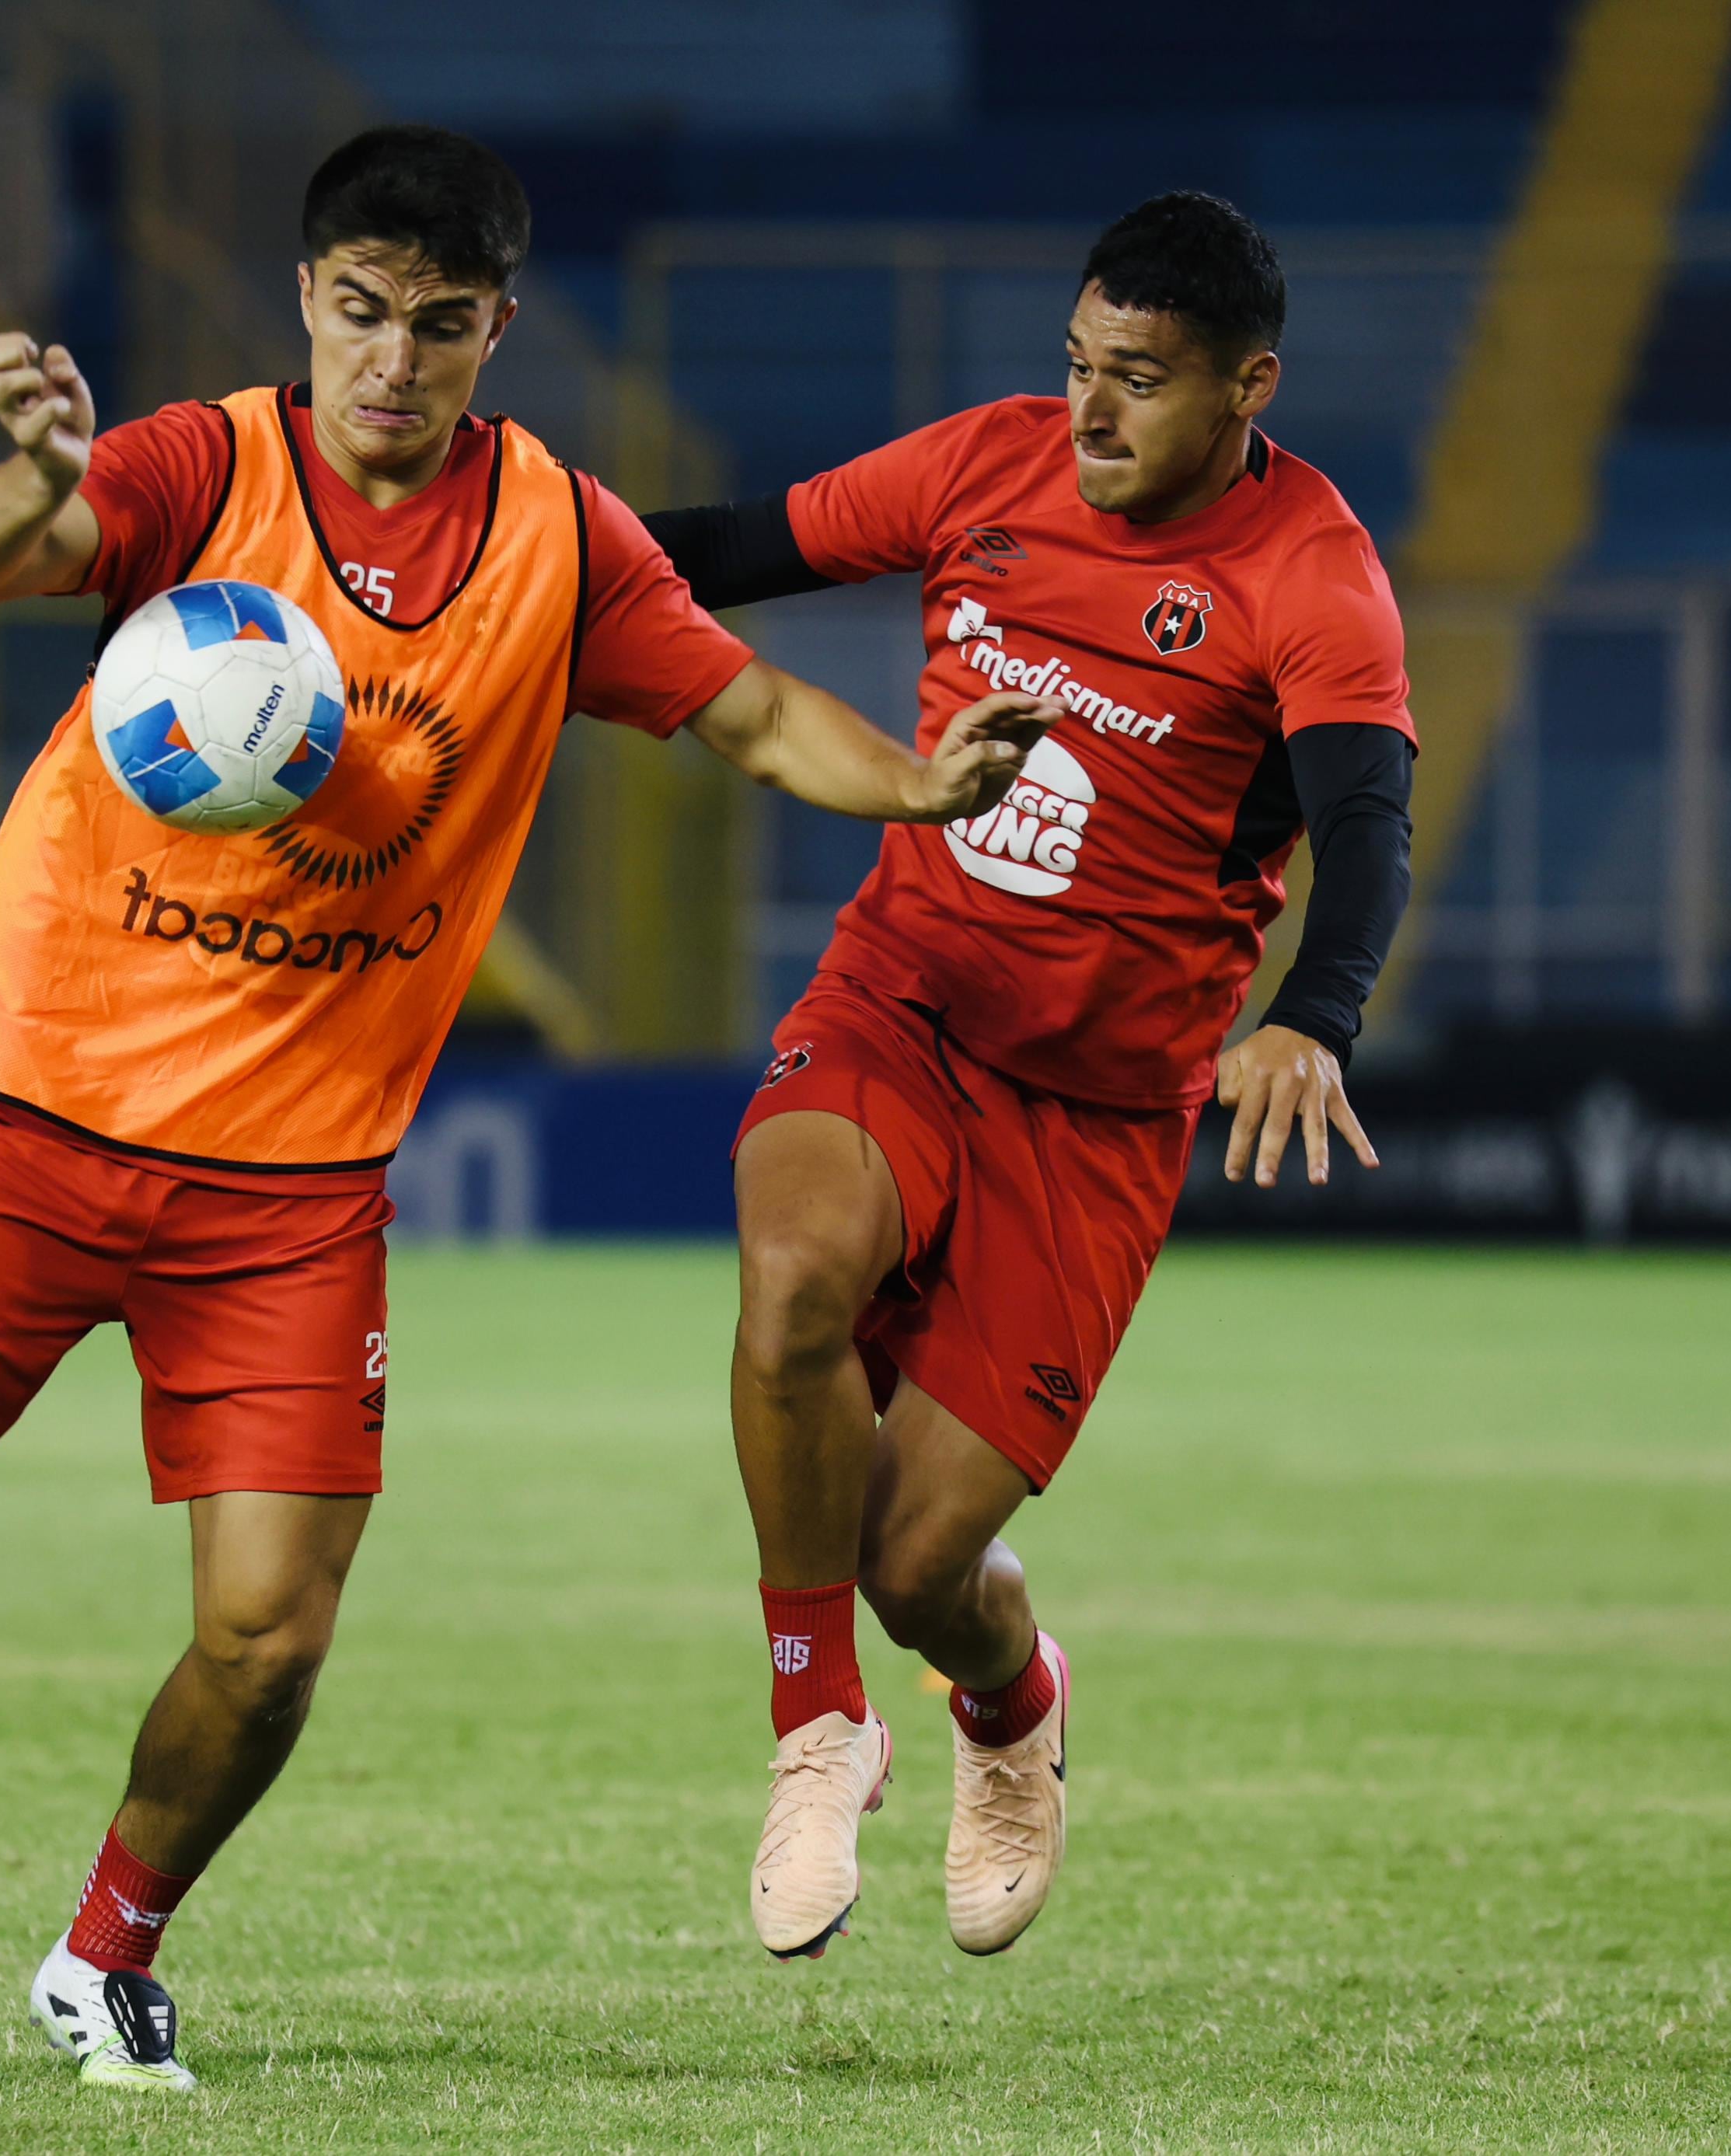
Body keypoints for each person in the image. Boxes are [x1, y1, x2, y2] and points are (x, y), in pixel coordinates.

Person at [0, 124, 1056, 2094]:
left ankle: (105, 1954)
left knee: (270, 1639)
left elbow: (740, 710)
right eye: (361, 314)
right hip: (38, 1107)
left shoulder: (559, 539)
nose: (394, 360)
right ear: (305, 300)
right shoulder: (199, 468)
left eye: (440, 324)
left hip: (290, 1196)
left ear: (496, 327)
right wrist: (44, 476)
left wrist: (914, 782)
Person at [643, 190, 1418, 1962]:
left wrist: (1321, 1008)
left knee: (918, 1563)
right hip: (905, 994)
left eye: (1137, 382)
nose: (1088, 415)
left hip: (1097, 1115)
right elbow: (718, 547)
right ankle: (816, 1728)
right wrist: (495, 538)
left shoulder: (1310, 572)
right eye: (1076, 368)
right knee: (791, 1291)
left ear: (1246, 389)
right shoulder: (984, 466)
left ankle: (1009, 1709)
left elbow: (1364, 815)